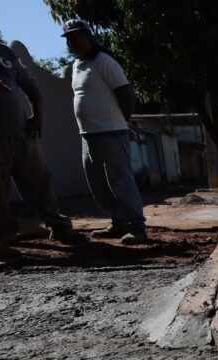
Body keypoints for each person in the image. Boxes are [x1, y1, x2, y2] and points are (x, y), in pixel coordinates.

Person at [0, 14, 85, 245]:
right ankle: (4, 235)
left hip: (21, 131)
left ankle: (59, 227)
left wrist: (37, 116)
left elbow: (30, 84)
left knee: (39, 180)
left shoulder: (3, 52)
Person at [62, 19, 146, 244]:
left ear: (89, 37)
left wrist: (122, 121)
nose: (76, 41)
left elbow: (127, 95)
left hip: (111, 131)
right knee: (97, 183)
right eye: (71, 38)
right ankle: (118, 221)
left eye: (79, 36)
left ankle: (137, 227)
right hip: (87, 134)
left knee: (121, 179)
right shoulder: (76, 67)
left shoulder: (104, 61)